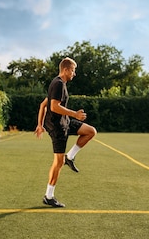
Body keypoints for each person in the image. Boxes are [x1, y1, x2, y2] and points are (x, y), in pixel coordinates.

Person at [34, 57, 97, 207]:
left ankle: (71, 156)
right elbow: (54, 107)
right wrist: (75, 114)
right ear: (66, 70)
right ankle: (49, 196)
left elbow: (44, 104)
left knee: (90, 131)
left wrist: (39, 124)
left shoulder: (58, 83)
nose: (74, 74)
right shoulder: (58, 84)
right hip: (58, 128)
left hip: (65, 122)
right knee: (58, 162)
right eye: (73, 71)